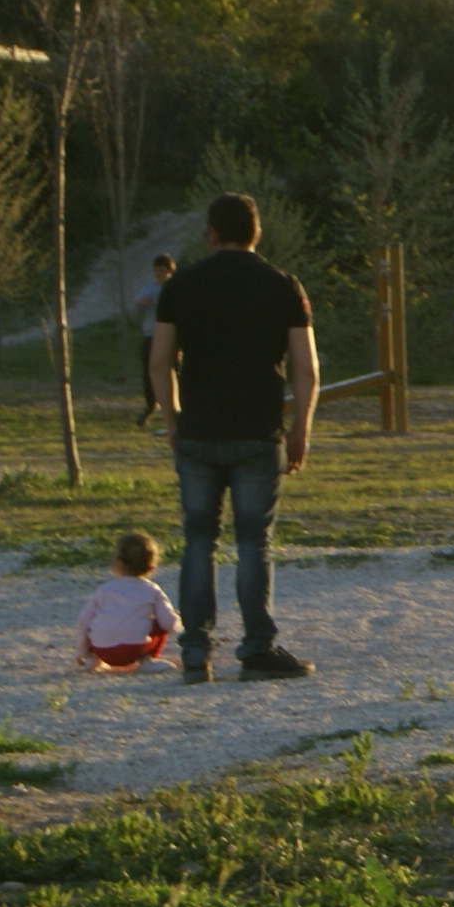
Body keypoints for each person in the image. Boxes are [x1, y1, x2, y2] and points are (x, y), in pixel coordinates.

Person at [151, 192, 319, 682]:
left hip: (199, 430)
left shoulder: (181, 285)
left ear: (211, 234)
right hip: (256, 431)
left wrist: (172, 420)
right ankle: (256, 647)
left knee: (199, 540)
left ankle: (197, 653)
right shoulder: (283, 286)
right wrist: (300, 429)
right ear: (257, 234)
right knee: (253, 543)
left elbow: (160, 361)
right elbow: (306, 369)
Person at [75, 530, 182, 673]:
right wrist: (178, 620)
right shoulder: (152, 590)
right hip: (135, 650)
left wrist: (83, 652)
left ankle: (94, 660)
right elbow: (168, 623)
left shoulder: (104, 590)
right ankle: (148, 661)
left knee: (96, 621)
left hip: (102, 650)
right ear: (152, 567)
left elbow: (84, 621)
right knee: (158, 621)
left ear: (117, 563)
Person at [132, 253, 176, 428]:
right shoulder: (149, 290)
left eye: (163, 270)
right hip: (151, 335)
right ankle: (150, 406)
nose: (159, 274)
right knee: (149, 372)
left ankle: (176, 409)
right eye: (156, 270)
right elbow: (133, 314)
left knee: (173, 372)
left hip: (172, 337)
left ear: (170, 271)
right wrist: (140, 305)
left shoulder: (174, 289)